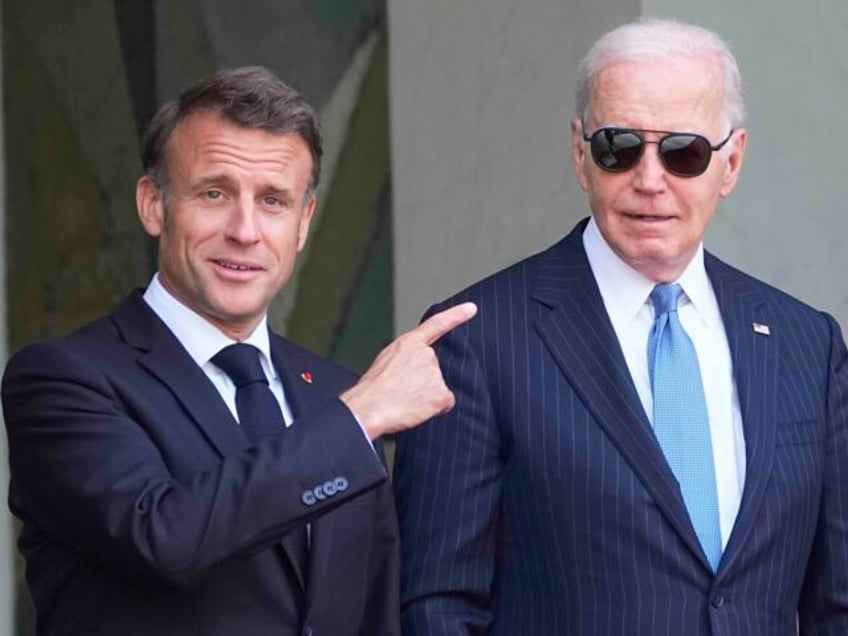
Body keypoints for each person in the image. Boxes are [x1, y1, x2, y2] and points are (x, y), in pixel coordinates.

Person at [393, 18, 848, 635]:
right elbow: (437, 605)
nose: (649, 179)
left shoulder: (808, 344)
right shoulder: (477, 340)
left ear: (732, 162)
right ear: (581, 154)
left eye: (684, 152)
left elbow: (835, 604)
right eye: (620, 147)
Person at [2, 66, 475, 636]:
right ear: (154, 204)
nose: (245, 231)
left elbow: (375, 609)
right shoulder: (62, 379)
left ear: (303, 224)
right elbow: (163, 539)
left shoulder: (332, 391)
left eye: (273, 201)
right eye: (214, 193)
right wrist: (358, 419)